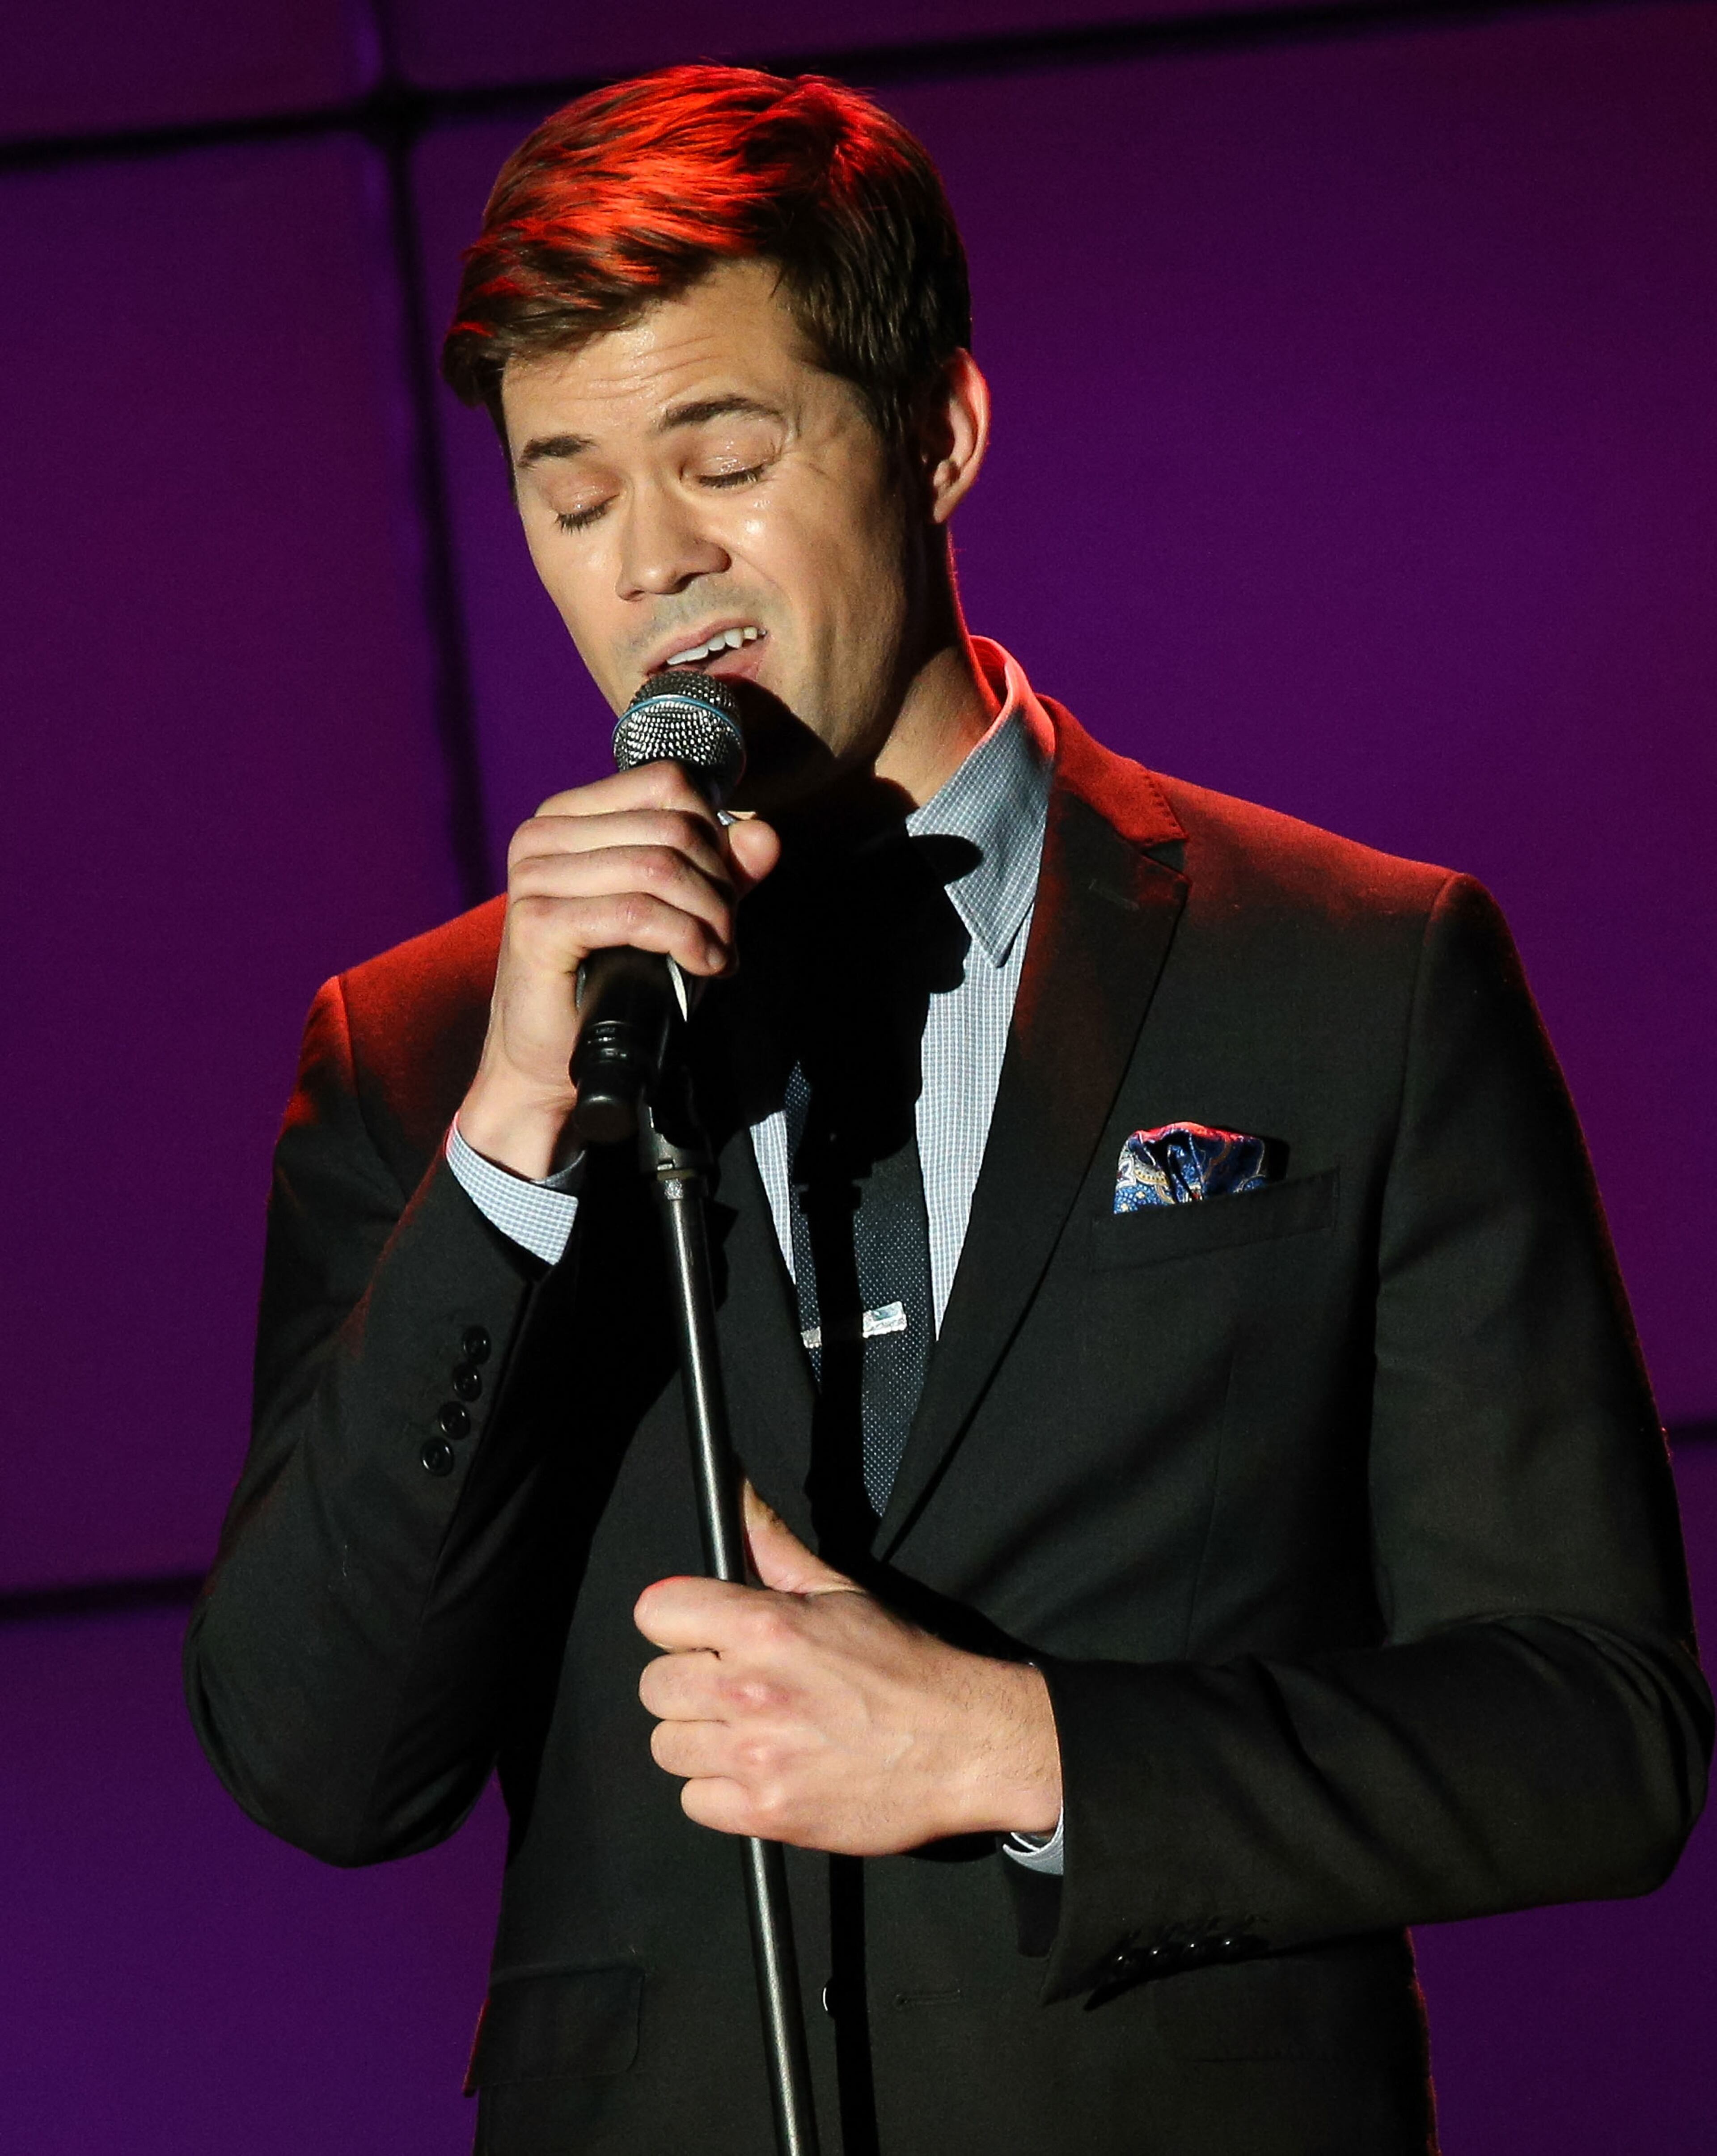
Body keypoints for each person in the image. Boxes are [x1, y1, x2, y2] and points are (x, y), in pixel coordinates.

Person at [185, 64, 1710, 2156]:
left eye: (723, 456)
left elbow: (1595, 1734)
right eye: (570, 496)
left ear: (938, 432)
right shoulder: (429, 1050)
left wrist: (1026, 1751)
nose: (654, 564)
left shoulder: (1353, 974)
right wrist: (514, 1138)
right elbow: (317, 1761)